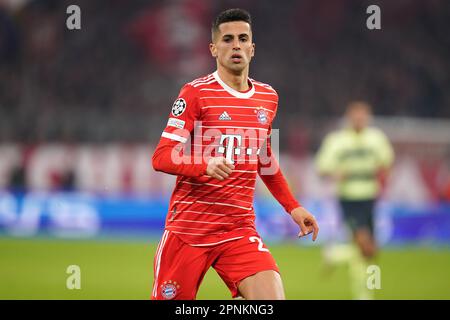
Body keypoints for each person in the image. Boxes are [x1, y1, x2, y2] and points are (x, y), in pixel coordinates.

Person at [151, 8, 319, 300]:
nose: (236, 45)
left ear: (253, 48)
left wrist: (293, 207)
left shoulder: (268, 98)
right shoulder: (195, 93)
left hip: (238, 229)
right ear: (213, 48)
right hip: (190, 230)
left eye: (243, 39)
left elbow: (264, 160)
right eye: (227, 39)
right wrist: (203, 164)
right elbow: (162, 156)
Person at [316, 101, 394, 299]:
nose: (360, 120)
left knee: (370, 251)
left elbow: (387, 162)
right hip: (348, 198)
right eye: (356, 116)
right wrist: (335, 173)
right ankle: (364, 294)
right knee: (364, 244)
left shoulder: (376, 139)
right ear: (349, 118)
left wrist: (382, 175)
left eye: (363, 116)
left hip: (370, 197)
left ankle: (336, 257)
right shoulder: (337, 140)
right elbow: (321, 167)